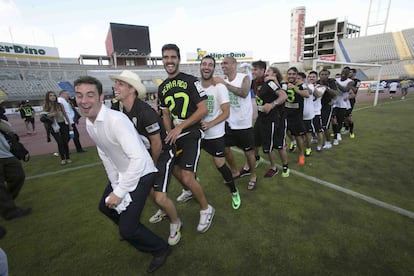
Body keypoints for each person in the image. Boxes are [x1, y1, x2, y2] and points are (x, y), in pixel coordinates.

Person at [74, 76, 170, 273]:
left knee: (127, 229)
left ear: (101, 97)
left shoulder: (116, 120)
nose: (84, 101)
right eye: (79, 95)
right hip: (124, 173)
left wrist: (120, 191)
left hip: (141, 174)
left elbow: (139, 160)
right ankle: (130, 226)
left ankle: (160, 249)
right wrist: (115, 183)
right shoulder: (90, 123)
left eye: (90, 95)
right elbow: (105, 154)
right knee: (105, 207)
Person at [109, 70, 182, 246]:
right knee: (147, 190)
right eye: (116, 83)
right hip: (145, 155)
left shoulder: (145, 112)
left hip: (162, 153)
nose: (115, 86)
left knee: (160, 197)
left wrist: (151, 166)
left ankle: (175, 222)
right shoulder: (120, 110)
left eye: (120, 83)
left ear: (132, 89)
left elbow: (157, 144)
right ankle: (163, 211)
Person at [158, 44, 215, 233]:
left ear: (178, 59)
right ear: (163, 60)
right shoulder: (162, 87)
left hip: (191, 131)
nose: (169, 61)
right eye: (166, 57)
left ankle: (206, 209)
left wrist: (180, 127)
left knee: (187, 176)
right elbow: (165, 114)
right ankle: (190, 191)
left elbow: (203, 109)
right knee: (174, 168)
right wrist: (169, 133)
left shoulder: (191, 80)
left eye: (173, 57)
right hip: (176, 133)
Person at [199, 55, 241, 209]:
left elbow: (226, 113)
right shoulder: (196, 86)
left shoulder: (219, 87)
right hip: (199, 133)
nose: (206, 67)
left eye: (210, 64)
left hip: (215, 134)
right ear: (200, 66)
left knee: (220, 165)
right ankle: (189, 189)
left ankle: (234, 191)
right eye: (204, 64)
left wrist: (209, 124)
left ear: (213, 68)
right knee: (188, 163)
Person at [214, 56, 257, 190]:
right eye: (221, 64)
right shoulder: (224, 81)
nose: (223, 66)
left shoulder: (244, 77)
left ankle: (253, 175)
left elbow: (244, 93)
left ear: (234, 64)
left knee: (249, 152)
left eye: (225, 63)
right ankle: (234, 171)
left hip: (243, 123)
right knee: (225, 149)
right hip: (229, 122)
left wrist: (224, 84)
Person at [255, 65, 289, 177]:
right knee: (255, 140)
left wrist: (272, 104)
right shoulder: (259, 83)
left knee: (277, 145)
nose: (265, 73)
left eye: (268, 71)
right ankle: (257, 158)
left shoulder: (275, 83)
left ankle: (281, 167)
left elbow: (283, 96)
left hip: (276, 118)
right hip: (262, 117)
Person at [0, 119, 32, 221]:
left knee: (18, 175)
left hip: (5, 153)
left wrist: (21, 150)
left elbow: (10, 133)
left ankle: (6, 202)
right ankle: (10, 211)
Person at [285, 67, 309, 165]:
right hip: (286, 114)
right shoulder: (283, 85)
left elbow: (307, 94)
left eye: (293, 74)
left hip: (297, 116)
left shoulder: (301, 85)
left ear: (296, 75)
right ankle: (292, 142)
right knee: (286, 132)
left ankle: (302, 155)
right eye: (289, 74)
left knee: (298, 136)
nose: (291, 76)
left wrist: (294, 88)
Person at [42, 91, 72, 165]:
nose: (53, 97)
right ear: (47, 97)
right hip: (53, 125)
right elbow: (44, 117)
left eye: (54, 95)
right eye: (50, 95)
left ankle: (67, 157)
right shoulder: (46, 106)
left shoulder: (59, 105)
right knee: (60, 142)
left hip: (62, 124)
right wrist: (51, 114)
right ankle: (62, 158)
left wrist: (69, 125)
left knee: (65, 141)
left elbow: (65, 114)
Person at [317, 69, 338, 149]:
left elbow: (335, 93)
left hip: (327, 106)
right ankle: (316, 138)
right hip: (317, 106)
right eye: (322, 74)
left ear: (328, 75)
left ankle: (329, 141)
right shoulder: (317, 82)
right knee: (315, 124)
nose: (324, 76)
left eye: (326, 74)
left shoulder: (331, 82)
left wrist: (326, 88)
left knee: (325, 125)